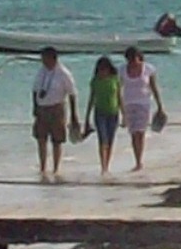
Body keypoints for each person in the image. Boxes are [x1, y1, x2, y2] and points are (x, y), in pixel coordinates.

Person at [29, 47, 79, 181]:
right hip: (42, 108)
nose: (43, 61)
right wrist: (35, 106)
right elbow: (34, 90)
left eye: (45, 58)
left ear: (53, 58)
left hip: (57, 108)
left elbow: (72, 94)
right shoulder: (41, 71)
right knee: (41, 139)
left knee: (57, 140)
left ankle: (56, 168)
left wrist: (74, 115)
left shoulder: (63, 73)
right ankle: (43, 167)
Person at [120, 45, 165, 171]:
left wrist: (160, 105)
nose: (132, 62)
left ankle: (139, 161)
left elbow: (154, 87)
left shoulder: (148, 69)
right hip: (128, 103)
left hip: (144, 103)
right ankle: (137, 161)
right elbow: (118, 89)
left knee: (140, 132)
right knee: (133, 134)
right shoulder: (122, 70)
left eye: (134, 59)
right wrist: (120, 109)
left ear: (138, 57)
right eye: (129, 60)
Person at [87, 55, 123, 175]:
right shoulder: (95, 81)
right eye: (101, 69)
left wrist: (125, 115)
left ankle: (107, 164)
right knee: (103, 140)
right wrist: (87, 117)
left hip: (113, 113)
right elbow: (91, 99)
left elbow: (119, 97)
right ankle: (103, 167)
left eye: (105, 69)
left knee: (110, 140)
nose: (103, 72)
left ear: (109, 69)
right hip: (100, 113)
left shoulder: (115, 79)